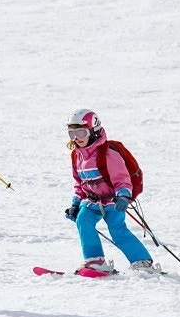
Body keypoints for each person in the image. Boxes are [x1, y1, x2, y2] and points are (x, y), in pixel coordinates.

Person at [64, 109, 155, 272]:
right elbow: (79, 183)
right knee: (83, 221)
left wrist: (123, 196)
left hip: (113, 200)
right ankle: (96, 262)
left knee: (117, 229)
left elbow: (122, 178)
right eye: (72, 134)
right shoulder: (77, 155)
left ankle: (142, 261)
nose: (76, 138)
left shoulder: (107, 153)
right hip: (91, 201)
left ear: (93, 131)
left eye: (81, 132)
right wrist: (75, 204)